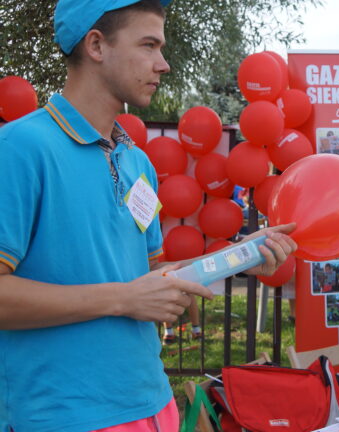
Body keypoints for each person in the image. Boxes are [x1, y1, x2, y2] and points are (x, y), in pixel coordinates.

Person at [0, 1, 297, 430]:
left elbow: (150, 279)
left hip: (154, 405)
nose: (164, 64)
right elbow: (130, 293)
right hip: (64, 416)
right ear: (97, 46)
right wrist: (123, 298)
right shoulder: (19, 148)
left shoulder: (137, 163)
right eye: (149, 45)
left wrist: (243, 254)